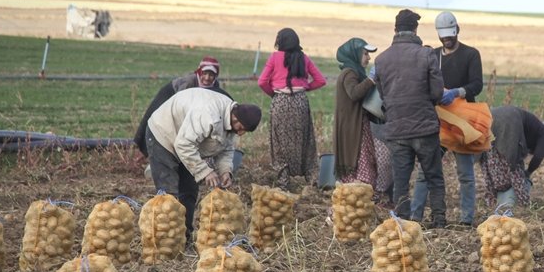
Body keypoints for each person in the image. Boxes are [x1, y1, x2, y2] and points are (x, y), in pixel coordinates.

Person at [145, 89, 261, 245]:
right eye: (240, 128)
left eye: (244, 131)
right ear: (234, 116)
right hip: (164, 134)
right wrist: (205, 172)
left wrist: (226, 171)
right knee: (169, 194)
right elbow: (183, 144)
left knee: (189, 191)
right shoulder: (208, 115)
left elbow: (226, 149)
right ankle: (166, 242)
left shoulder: (233, 125)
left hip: (189, 145)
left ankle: (184, 237)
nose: (240, 133)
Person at [409, 11, 484, 226]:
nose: (447, 40)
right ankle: (415, 216)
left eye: (450, 35)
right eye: (444, 36)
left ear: (457, 30)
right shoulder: (433, 56)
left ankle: (466, 219)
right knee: (425, 171)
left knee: (465, 173)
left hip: (462, 121)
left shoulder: (471, 55)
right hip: (438, 121)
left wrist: (457, 92)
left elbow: (476, 84)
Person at [376, 9, 447, 227]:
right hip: (425, 127)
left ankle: (403, 221)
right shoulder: (426, 55)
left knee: (401, 181)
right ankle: (439, 219)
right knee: (434, 176)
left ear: (395, 29)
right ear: (415, 29)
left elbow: (382, 95)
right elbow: (437, 92)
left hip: (397, 129)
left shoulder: (381, 59)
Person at [258, 28, 327, 189]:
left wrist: (273, 95)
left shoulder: (275, 58)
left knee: (279, 142)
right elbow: (320, 80)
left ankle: (283, 182)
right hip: (300, 103)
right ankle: (311, 180)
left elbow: (262, 81)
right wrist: (304, 88)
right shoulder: (303, 58)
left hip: (280, 102)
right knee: (306, 140)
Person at [134, 56, 231, 156]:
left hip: (189, 103)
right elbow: (180, 103)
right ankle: (143, 150)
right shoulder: (189, 82)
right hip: (171, 94)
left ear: (216, 76)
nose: (207, 78)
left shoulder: (215, 87)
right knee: (154, 120)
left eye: (211, 75)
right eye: (204, 73)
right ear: (199, 72)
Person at [333, 37, 381, 187]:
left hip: (357, 124)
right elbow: (354, 93)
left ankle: (361, 195)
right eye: (365, 54)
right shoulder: (350, 74)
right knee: (360, 158)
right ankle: (356, 194)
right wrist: (371, 80)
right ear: (355, 54)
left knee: (365, 157)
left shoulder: (356, 72)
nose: (368, 58)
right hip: (352, 126)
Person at [484, 105, 544, 210]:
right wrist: (528, 172)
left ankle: (491, 201)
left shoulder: (533, 128)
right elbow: (539, 155)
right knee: (514, 164)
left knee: (491, 160)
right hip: (510, 120)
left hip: (490, 116)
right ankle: (522, 203)